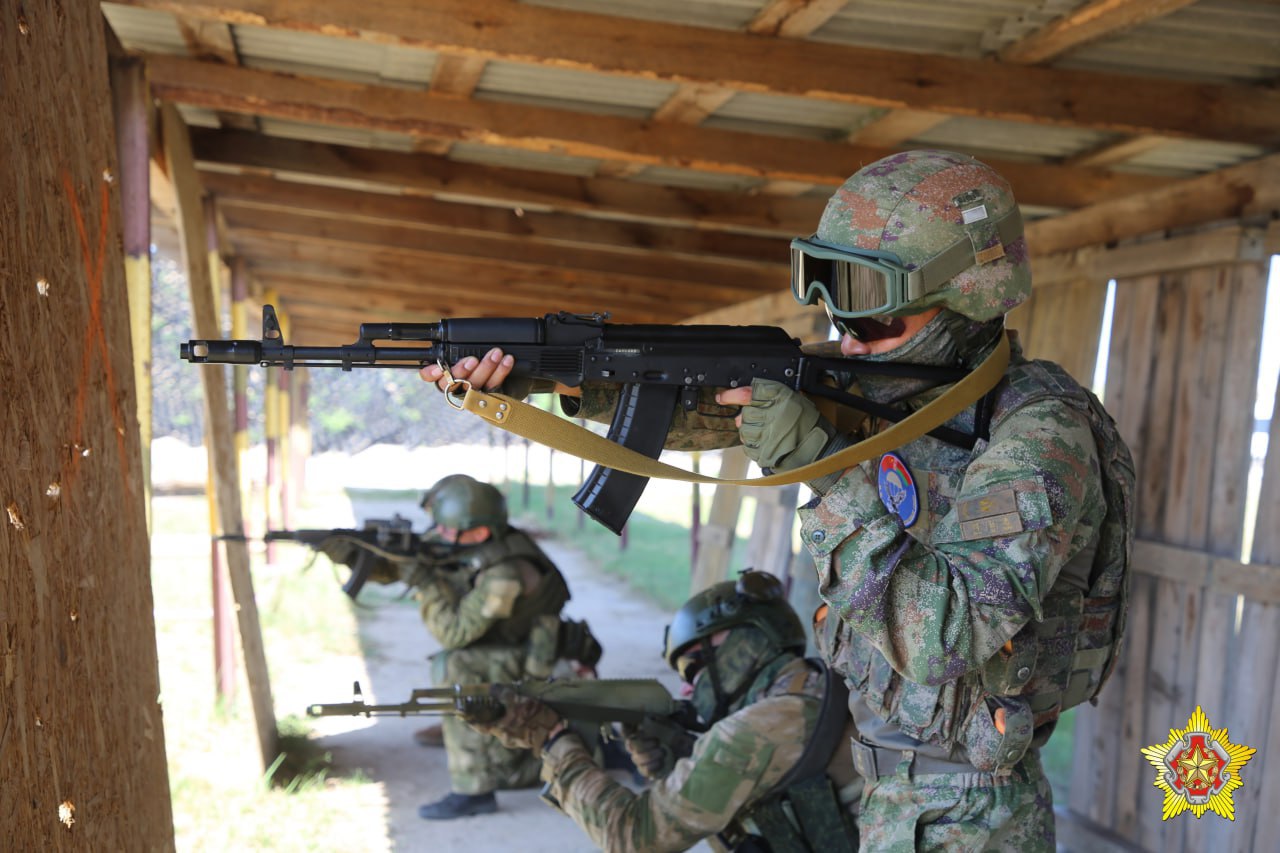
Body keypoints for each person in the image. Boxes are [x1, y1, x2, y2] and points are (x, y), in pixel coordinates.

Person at [422, 149, 1135, 850]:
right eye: (831, 300)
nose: (845, 338)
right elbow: (716, 407)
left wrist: (822, 469)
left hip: (973, 817)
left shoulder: (1042, 434)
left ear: (969, 302)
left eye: (873, 317)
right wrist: (553, 386)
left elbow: (942, 634)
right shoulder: (902, 389)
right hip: (892, 796)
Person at [468, 570, 861, 852]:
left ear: (744, 646)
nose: (687, 687)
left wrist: (554, 741)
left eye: (693, 666)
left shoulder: (754, 729)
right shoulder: (818, 682)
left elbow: (633, 836)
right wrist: (681, 761)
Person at [407, 473, 601, 820]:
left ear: (479, 533)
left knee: (455, 663)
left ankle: (473, 788)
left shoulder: (505, 574)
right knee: (462, 663)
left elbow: (453, 632)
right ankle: (463, 732)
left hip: (540, 662)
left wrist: (422, 581)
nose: (438, 535)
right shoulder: (490, 543)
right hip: (522, 646)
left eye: (447, 529)